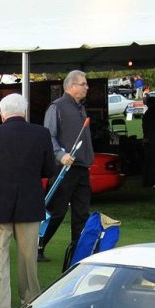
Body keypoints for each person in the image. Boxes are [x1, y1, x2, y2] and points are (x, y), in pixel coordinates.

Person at [0, 93, 58, 308]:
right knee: (29, 264)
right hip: (29, 204)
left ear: (2, 114)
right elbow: (49, 169)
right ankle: (30, 306)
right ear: (24, 112)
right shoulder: (41, 133)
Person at [38, 70, 94, 263]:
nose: (87, 87)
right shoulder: (57, 107)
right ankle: (37, 245)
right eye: (83, 84)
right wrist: (61, 155)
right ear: (71, 86)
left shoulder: (81, 108)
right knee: (56, 212)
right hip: (64, 169)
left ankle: (78, 253)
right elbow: (48, 136)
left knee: (82, 213)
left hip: (81, 167)